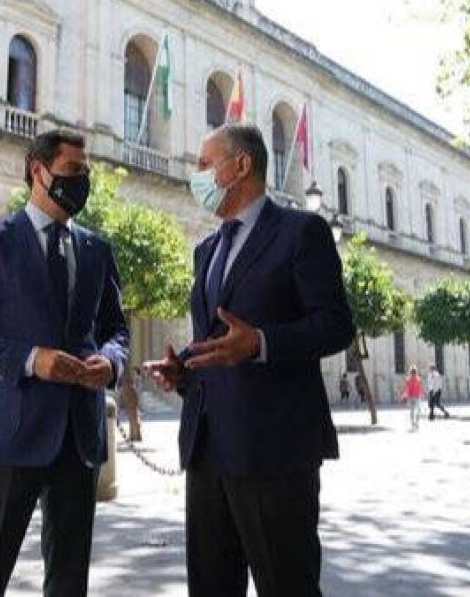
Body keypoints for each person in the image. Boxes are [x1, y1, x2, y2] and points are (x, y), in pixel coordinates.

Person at [144, 124, 354, 597]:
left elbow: (336, 324)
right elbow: (217, 341)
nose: (195, 174)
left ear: (240, 166)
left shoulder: (302, 232)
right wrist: (184, 372)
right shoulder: (206, 249)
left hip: (274, 450)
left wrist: (260, 342)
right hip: (207, 450)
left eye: (204, 164)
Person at [0, 129, 129, 597]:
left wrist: (110, 363)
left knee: (69, 582)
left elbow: (116, 330)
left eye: (86, 173)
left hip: (78, 441)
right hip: (8, 437)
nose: (81, 181)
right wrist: (30, 360)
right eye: (72, 171)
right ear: (38, 171)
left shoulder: (97, 251)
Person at [118, 364, 143, 441]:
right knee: (133, 418)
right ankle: (134, 435)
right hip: (133, 400)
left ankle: (136, 435)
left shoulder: (138, 379)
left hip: (134, 399)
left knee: (134, 418)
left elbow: (137, 389)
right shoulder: (137, 379)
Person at [402, 366, 423, 430]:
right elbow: (408, 388)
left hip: (413, 397)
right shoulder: (417, 379)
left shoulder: (410, 379)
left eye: (414, 372)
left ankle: (414, 422)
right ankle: (415, 422)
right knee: (417, 410)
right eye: (413, 372)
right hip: (415, 397)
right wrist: (405, 395)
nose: (413, 374)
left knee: (413, 410)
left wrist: (404, 395)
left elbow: (407, 389)